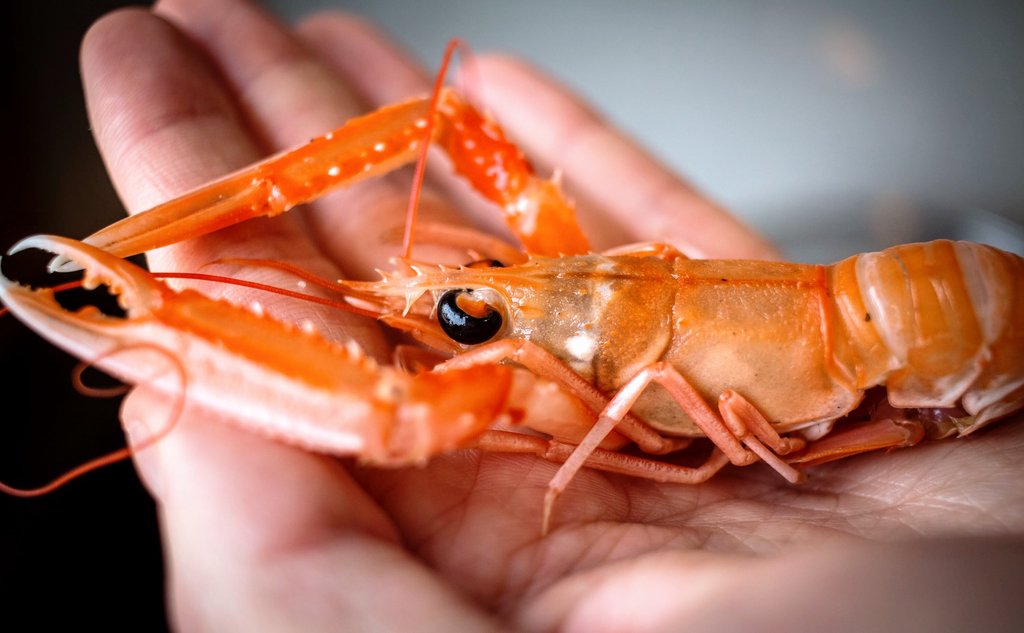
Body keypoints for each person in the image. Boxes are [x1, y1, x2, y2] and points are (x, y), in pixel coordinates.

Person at [83, 0, 1023, 630]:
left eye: (469, 319)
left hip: (966, 331)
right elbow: (446, 125)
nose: (467, 315)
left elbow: (670, 407)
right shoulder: (568, 286)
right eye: (474, 309)